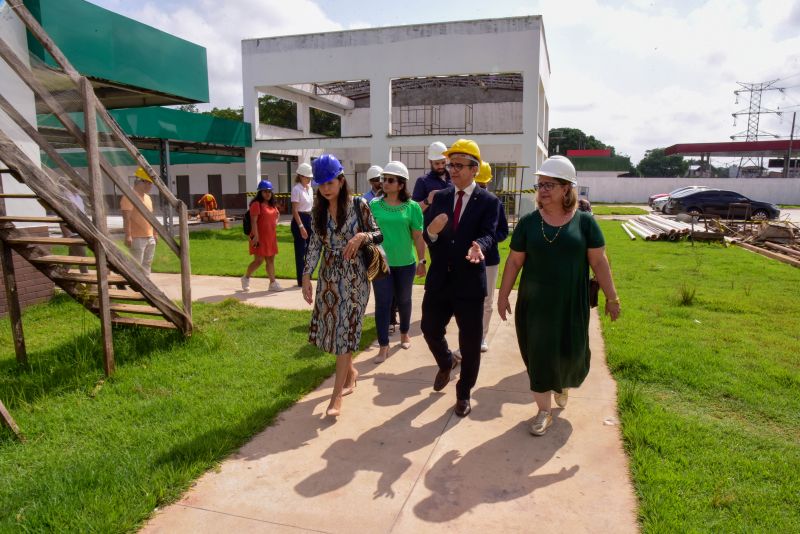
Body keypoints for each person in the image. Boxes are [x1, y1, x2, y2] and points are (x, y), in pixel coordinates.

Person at [497, 155, 621, 436]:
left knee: (572, 353)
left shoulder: (585, 223)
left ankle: (562, 382)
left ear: (567, 188)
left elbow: (599, 262)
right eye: (540, 185)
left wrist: (612, 298)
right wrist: (503, 296)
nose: (542, 190)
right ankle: (543, 411)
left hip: (571, 305)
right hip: (535, 305)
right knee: (538, 357)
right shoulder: (528, 223)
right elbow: (514, 262)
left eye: (549, 185)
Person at [421, 139, 500, 418]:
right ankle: (445, 361)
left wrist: (480, 245)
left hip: (469, 283)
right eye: (450, 164)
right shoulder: (440, 197)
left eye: (457, 165)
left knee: (470, 342)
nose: (451, 170)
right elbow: (428, 234)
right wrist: (431, 230)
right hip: (440, 279)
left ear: (474, 169)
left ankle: (464, 393)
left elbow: (491, 233)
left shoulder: (489, 201)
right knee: (429, 327)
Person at [302, 154, 383, 417]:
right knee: (334, 331)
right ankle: (351, 374)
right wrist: (306, 276)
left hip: (356, 277)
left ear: (340, 180)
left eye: (330, 182)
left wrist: (361, 236)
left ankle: (336, 398)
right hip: (329, 279)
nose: (325, 188)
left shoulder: (360, 205)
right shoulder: (318, 211)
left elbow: (378, 233)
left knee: (345, 332)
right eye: (321, 184)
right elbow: (314, 245)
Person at [369, 161, 426, 363]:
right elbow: (367, 234)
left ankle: (404, 333)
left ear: (401, 184)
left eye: (391, 180)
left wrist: (422, 260)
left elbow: (418, 237)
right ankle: (383, 346)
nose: (385, 183)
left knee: (404, 300)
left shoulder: (412, 208)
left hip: (405, 263)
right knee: (383, 304)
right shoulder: (373, 205)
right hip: (380, 264)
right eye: (384, 179)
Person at [474, 161, 508, 352]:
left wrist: (487, 239)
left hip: (489, 260)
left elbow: (503, 230)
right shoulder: (462, 202)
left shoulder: (495, 202)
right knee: (468, 299)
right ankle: (469, 335)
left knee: (487, 300)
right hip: (467, 259)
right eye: (479, 185)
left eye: (483, 185)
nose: (481, 188)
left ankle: (481, 337)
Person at [241, 180, 283, 292]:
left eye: (269, 191)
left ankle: (272, 283)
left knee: (270, 259)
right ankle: (246, 278)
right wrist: (255, 236)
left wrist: (275, 220)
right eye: (265, 192)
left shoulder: (272, 205)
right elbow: (254, 221)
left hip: (270, 236)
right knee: (258, 260)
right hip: (258, 236)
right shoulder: (256, 204)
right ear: (260, 192)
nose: (268, 194)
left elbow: (276, 215)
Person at [121, 167, 157, 275]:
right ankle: (133, 287)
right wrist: (128, 235)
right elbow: (126, 218)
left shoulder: (148, 198)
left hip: (149, 237)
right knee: (136, 266)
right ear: (141, 182)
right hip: (137, 238)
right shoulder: (129, 197)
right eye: (149, 183)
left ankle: (147, 288)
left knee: (147, 264)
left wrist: (155, 233)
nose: (151, 186)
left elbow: (151, 216)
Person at [290, 162, 314, 287]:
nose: (309, 179)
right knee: (300, 252)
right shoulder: (296, 189)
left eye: (310, 177)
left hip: (309, 218)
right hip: (299, 219)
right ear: (300, 176)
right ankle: (300, 280)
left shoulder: (310, 189)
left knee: (310, 251)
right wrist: (301, 227)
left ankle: (308, 277)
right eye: (306, 177)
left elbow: (311, 207)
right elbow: (294, 210)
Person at [412, 141, 450, 213]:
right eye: (437, 163)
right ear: (430, 162)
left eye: (443, 162)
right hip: (430, 224)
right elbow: (413, 210)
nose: (441, 166)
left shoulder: (454, 179)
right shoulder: (422, 181)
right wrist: (428, 200)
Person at [59, 181, 89, 274]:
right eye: (76, 185)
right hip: (71, 231)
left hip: (80, 229)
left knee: (72, 254)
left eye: (79, 186)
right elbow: (61, 215)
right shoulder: (65, 197)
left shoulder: (79, 198)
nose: (78, 188)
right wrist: (65, 233)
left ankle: (62, 273)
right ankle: (85, 277)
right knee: (82, 256)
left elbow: (83, 213)